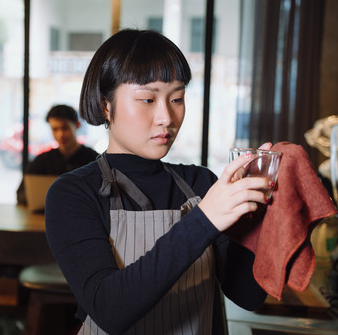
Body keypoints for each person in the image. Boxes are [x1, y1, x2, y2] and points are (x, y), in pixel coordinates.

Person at [45, 29, 271, 334]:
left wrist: (274, 212)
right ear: (105, 105)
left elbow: (249, 295)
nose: (167, 116)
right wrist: (205, 220)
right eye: (148, 99)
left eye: (177, 98)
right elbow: (109, 310)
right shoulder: (73, 194)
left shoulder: (200, 183)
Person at [16, 104, 99, 205]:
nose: (60, 135)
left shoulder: (94, 160)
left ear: (77, 125)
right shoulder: (42, 160)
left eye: (65, 128)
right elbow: (21, 194)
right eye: (55, 129)